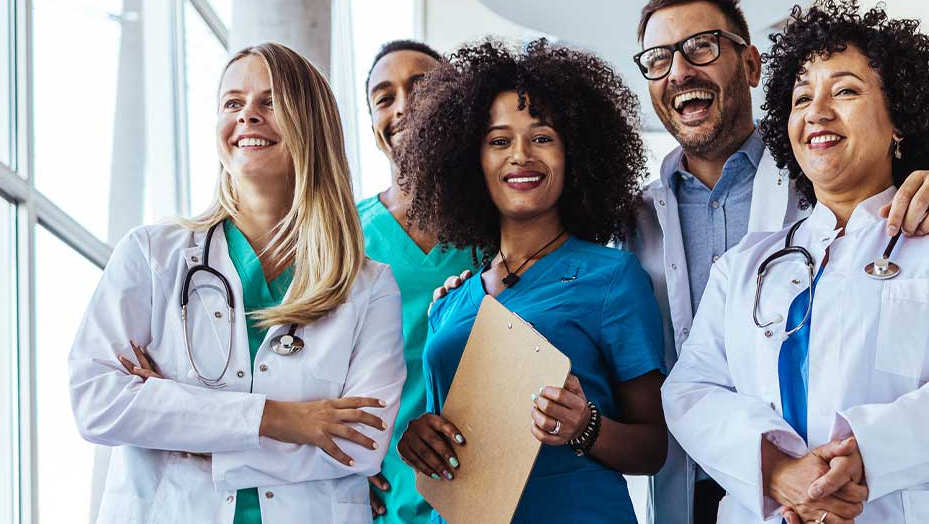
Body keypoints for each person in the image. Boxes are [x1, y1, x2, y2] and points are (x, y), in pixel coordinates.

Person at [626, 0, 929, 524]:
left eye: (702, 46)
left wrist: (853, 464)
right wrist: (777, 472)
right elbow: (689, 384)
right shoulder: (635, 217)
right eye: (659, 58)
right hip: (718, 480)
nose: (680, 70)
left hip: (887, 497)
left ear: (752, 64)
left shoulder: (924, 218)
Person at [68, 42, 406, 524]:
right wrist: (286, 420)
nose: (248, 115)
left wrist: (178, 422)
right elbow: (97, 402)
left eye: (270, 102)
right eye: (233, 103)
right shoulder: (152, 256)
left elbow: (359, 445)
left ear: (311, 124)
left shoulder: (367, 286)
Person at [394, 39, 668, 523]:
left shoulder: (613, 278)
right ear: (469, 162)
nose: (520, 155)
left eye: (542, 137)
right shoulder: (449, 303)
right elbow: (451, 436)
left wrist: (586, 426)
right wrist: (419, 439)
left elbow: (652, 449)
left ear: (574, 155)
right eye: (499, 141)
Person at [358, 39, 476, 523]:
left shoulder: (498, 223)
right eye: (384, 97)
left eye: (421, 88)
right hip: (388, 491)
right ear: (373, 125)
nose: (403, 106)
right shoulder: (345, 234)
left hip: (486, 477)